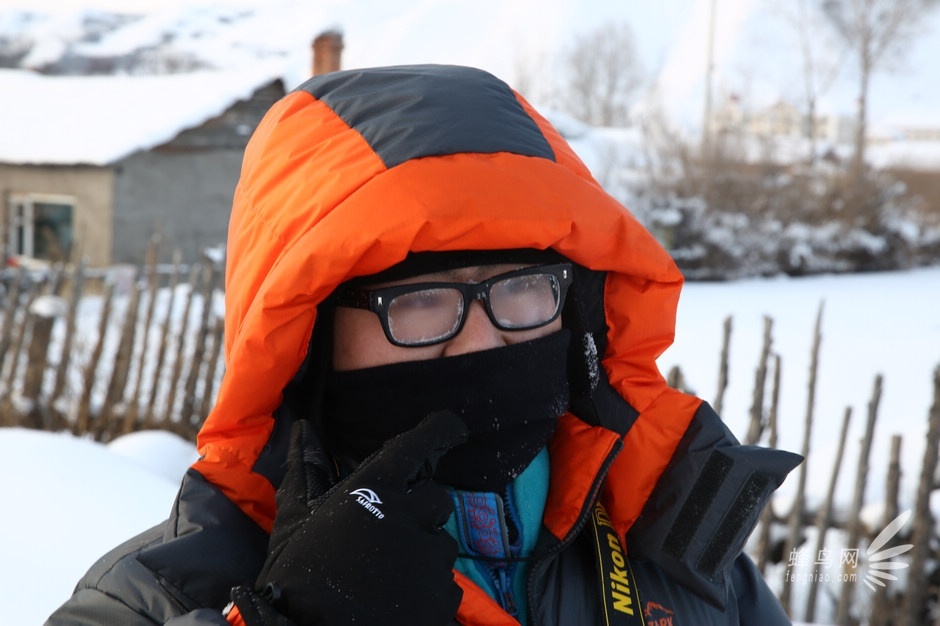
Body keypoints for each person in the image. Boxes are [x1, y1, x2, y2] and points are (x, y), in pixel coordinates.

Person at [47, 64, 801, 626]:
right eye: (419, 300)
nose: (482, 340)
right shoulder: (155, 597)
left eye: (521, 288)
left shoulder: (678, 556)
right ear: (307, 342)